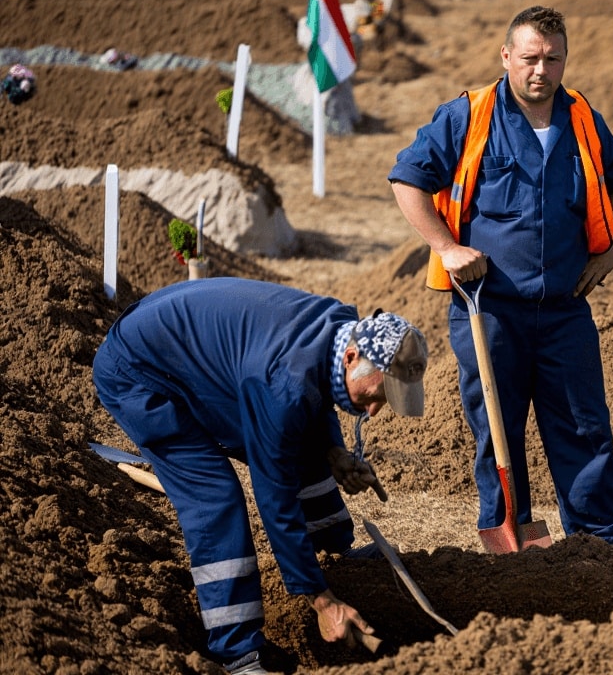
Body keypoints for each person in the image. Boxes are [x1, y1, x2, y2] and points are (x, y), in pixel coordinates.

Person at [91, 278, 429, 675]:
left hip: (188, 350)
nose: (373, 412)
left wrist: (333, 449)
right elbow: (275, 498)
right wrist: (321, 601)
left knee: (297, 436)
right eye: (374, 396)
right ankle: (236, 652)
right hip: (138, 373)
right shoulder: (284, 382)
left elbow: (312, 393)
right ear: (352, 357)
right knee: (215, 497)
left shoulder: (338, 329)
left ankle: (332, 554)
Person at [390, 6, 613, 543]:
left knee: (584, 428)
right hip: (489, 310)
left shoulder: (582, 119)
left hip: (565, 310)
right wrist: (446, 246)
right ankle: (509, 536)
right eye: (529, 59)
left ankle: (597, 542)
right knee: (496, 430)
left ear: (565, 59)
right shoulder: (468, 116)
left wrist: (610, 254)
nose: (540, 71)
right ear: (506, 57)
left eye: (552, 58)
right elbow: (407, 179)